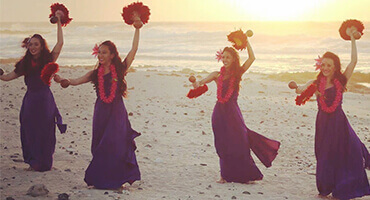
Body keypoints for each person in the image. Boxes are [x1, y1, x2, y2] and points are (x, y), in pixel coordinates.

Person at [55, 20, 143, 189]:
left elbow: (134, 50)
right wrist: (63, 80)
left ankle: (116, 178)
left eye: (104, 52)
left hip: (117, 111)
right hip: (101, 111)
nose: (100, 55)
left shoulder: (121, 69)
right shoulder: (95, 73)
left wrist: (137, 29)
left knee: (115, 143)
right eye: (99, 52)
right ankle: (101, 178)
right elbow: (76, 81)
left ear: (112, 55)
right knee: (100, 144)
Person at [290, 27, 369, 199]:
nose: (325, 68)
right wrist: (297, 87)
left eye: (329, 65)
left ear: (335, 67)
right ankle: (325, 187)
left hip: (339, 123)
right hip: (323, 123)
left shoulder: (341, 80)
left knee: (348, 151)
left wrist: (352, 39)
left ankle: (344, 185)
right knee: (324, 155)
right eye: (323, 64)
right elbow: (301, 90)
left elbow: (353, 61)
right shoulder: (316, 82)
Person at [192, 37, 280, 183]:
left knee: (240, 142)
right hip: (219, 112)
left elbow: (252, 58)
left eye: (228, 57)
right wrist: (195, 82)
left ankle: (247, 175)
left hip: (233, 111)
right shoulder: (216, 74)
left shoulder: (237, 73)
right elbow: (200, 84)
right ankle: (224, 176)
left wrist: (246, 42)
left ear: (233, 59)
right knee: (222, 143)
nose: (225, 59)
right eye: (223, 57)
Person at [0, 13, 66, 172]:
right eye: (30, 44)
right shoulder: (24, 64)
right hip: (30, 100)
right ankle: (33, 162)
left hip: (45, 100)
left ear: (42, 46)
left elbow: (60, 43)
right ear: (27, 47)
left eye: (36, 44)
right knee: (29, 129)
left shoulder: (48, 59)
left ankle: (44, 163)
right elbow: (8, 77)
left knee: (45, 130)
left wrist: (58, 22)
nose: (33, 47)